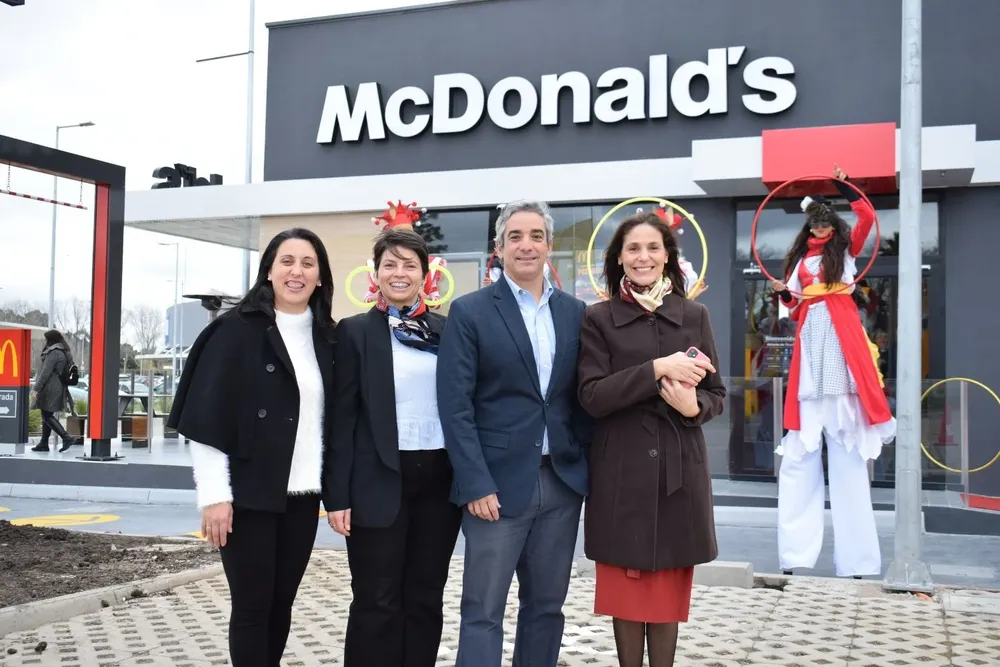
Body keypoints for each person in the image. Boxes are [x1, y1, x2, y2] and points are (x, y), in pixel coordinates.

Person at [166, 228, 337, 667]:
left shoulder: (329, 337)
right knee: (251, 607)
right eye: (287, 261)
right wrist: (215, 497)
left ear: (320, 277)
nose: (296, 271)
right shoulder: (234, 331)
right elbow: (206, 422)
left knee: (281, 605)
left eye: (308, 263)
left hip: (302, 497)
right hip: (246, 496)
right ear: (268, 271)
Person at [437, 199, 591, 667]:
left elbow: (581, 398)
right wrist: (475, 483)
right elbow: (455, 406)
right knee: (483, 610)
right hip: (495, 489)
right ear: (498, 248)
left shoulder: (576, 312)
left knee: (546, 608)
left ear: (549, 245)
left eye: (536, 236)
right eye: (516, 237)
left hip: (560, 484)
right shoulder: (470, 311)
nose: (527, 246)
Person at [577, 211, 725, 667]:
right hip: (621, 472)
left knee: (666, 598)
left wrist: (694, 408)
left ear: (668, 257)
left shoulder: (694, 314)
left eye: (653, 248)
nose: (643, 257)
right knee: (626, 593)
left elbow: (717, 394)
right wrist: (657, 369)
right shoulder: (598, 318)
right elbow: (592, 395)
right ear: (618, 259)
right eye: (633, 249)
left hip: (678, 471)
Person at [327, 228, 461, 667]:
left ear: (425, 274)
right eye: (390, 264)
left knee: (424, 598)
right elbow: (342, 419)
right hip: (376, 483)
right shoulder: (354, 332)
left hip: (439, 485)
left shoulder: (448, 331)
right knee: (375, 599)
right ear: (376, 272)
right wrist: (337, 496)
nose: (399, 273)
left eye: (409, 265)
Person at [770, 164, 896, 578]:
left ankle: (858, 562)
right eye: (815, 227)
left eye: (826, 226)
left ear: (833, 229)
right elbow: (790, 304)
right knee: (799, 460)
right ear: (809, 230)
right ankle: (795, 557)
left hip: (840, 346)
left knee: (848, 460)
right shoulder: (800, 262)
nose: (820, 232)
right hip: (810, 354)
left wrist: (846, 187)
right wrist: (782, 295)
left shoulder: (845, 253)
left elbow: (868, 220)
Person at [30, 329, 76, 453]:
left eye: (46, 339)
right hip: (57, 386)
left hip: (50, 388)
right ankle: (44, 443)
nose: (45, 341)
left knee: (47, 415)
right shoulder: (63, 352)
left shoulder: (54, 352)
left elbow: (45, 372)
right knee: (46, 414)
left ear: (51, 340)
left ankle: (66, 437)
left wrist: (36, 389)